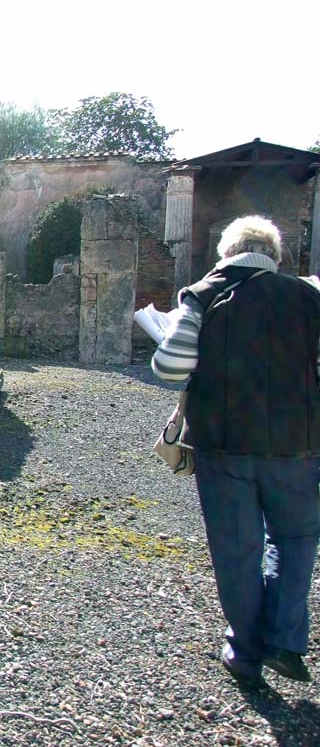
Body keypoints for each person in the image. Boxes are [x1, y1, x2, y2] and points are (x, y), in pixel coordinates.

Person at [152, 215, 320, 685]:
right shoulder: (310, 297)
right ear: (275, 257)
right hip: (299, 445)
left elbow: (169, 366)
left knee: (236, 549)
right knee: (295, 540)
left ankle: (246, 651)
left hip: (224, 445)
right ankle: (284, 639)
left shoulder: (204, 293)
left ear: (226, 253)